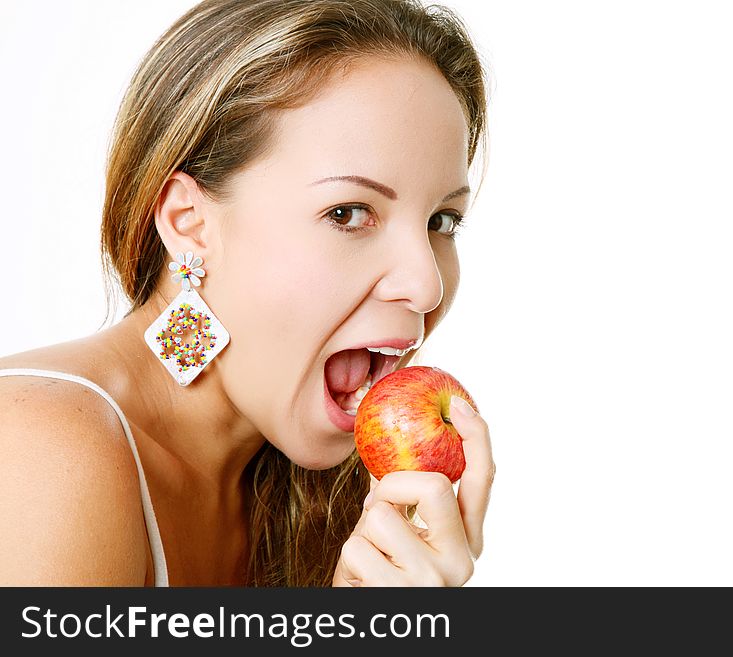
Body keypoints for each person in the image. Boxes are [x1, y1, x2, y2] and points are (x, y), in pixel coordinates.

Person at [0, 0, 494, 587]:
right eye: (348, 212)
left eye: (442, 221)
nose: (425, 285)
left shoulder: (324, 500)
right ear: (189, 222)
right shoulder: (38, 448)